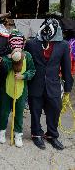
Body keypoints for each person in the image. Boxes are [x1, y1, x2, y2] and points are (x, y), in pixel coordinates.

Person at [25, 18, 74, 150]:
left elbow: (66, 68)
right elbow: (27, 65)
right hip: (35, 83)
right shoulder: (31, 44)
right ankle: (36, 134)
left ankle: (52, 135)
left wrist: (68, 87)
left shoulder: (63, 45)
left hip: (53, 84)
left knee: (54, 110)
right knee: (35, 111)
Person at [0, 30, 35, 147]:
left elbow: (32, 70)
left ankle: (18, 134)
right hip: (6, 89)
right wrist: (4, 61)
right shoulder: (6, 55)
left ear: (23, 43)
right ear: (10, 43)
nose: (16, 43)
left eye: (19, 41)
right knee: (3, 112)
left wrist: (23, 76)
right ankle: (1, 131)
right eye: (14, 41)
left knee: (18, 113)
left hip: (21, 90)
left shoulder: (27, 55)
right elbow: (4, 70)